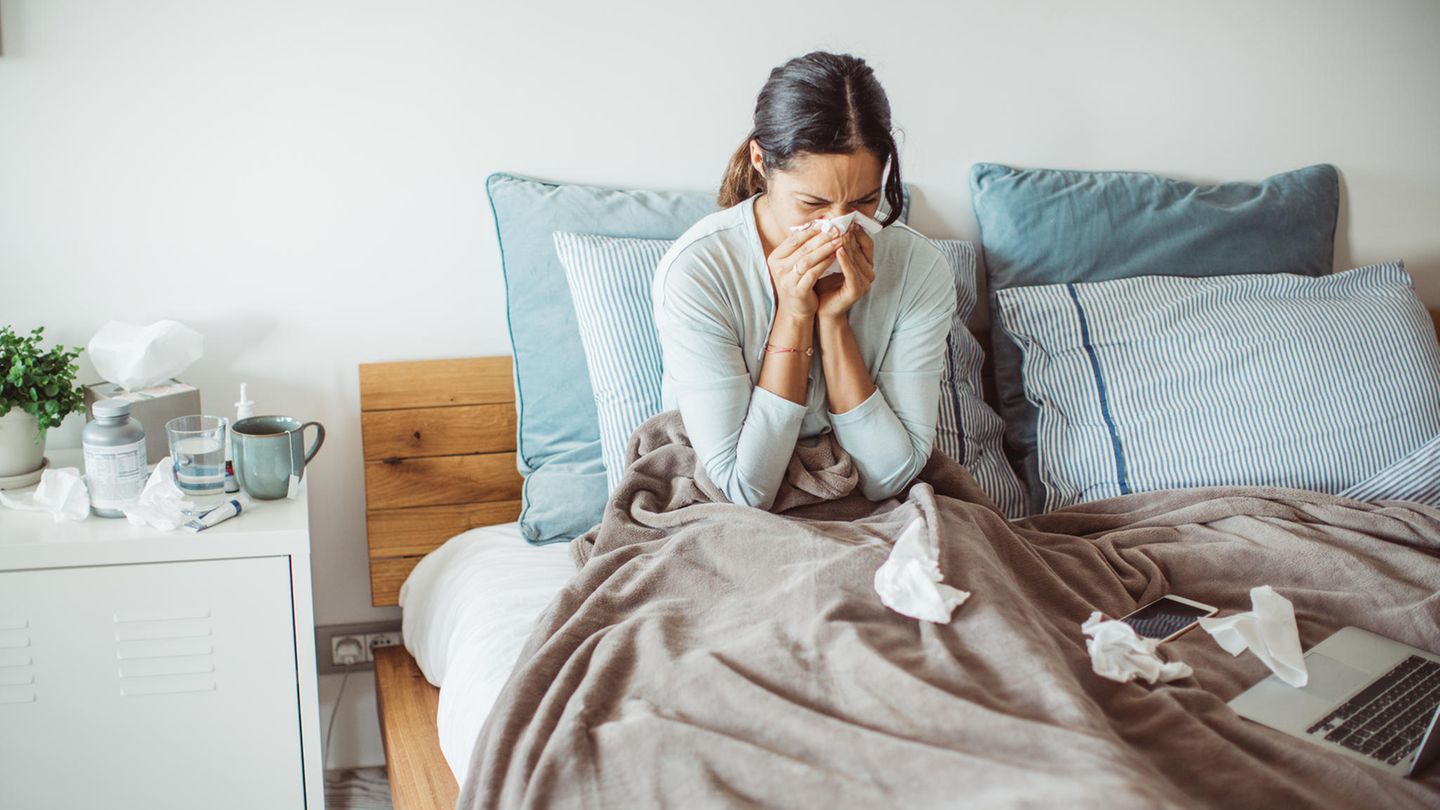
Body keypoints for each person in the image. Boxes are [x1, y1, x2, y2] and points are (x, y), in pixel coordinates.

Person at [651, 50, 957, 511]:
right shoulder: (700, 271)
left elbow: (890, 476)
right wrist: (794, 316)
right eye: (813, 204)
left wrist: (833, 324)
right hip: (726, 511)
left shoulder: (919, 267)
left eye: (865, 200)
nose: (839, 226)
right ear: (760, 160)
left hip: (870, 507)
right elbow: (744, 490)